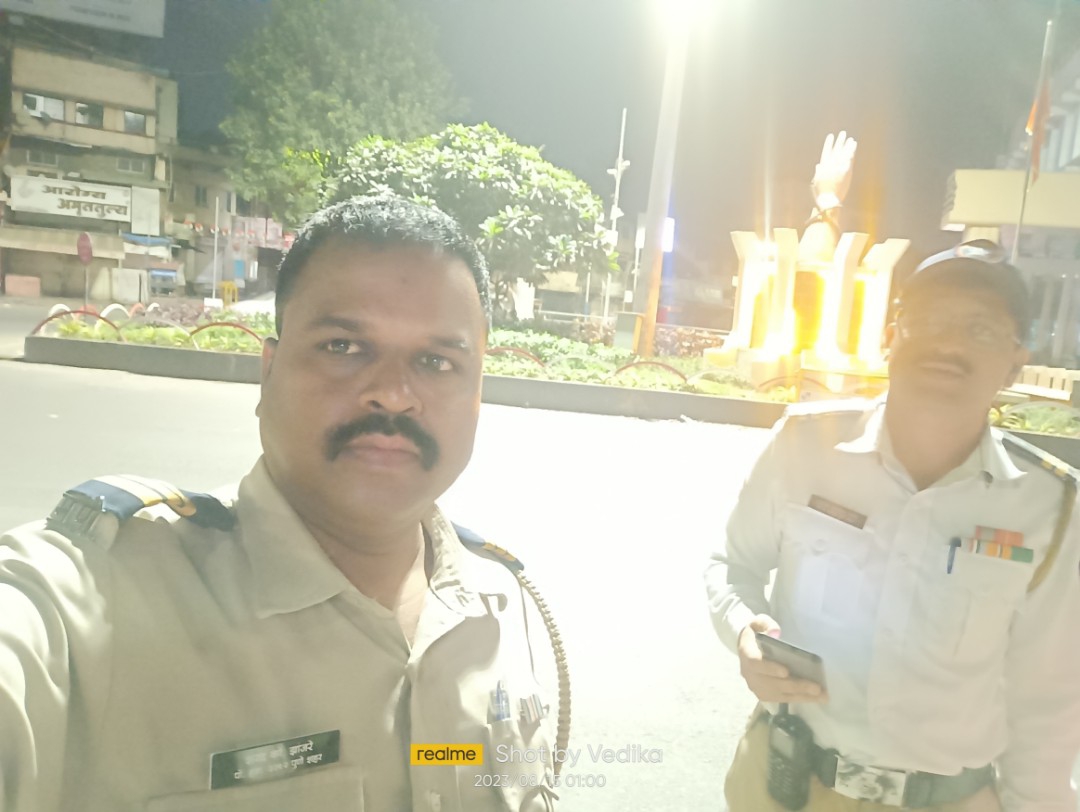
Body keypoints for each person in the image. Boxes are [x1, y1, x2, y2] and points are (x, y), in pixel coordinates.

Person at [0, 194, 566, 811]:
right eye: (343, 346)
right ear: (268, 372)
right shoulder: (93, 606)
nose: (393, 394)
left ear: (479, 394)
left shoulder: (502, 605)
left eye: (437, 361)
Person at [706, 239, 1080, 811]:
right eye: (928, 320)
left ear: (1015, 361)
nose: (949, 343)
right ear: (890, 338)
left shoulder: (1047, 507)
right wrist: (743, 632)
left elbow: (1047, 702)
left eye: (981, 329)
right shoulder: (805, 444)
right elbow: (734, 566)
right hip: (783, 784)